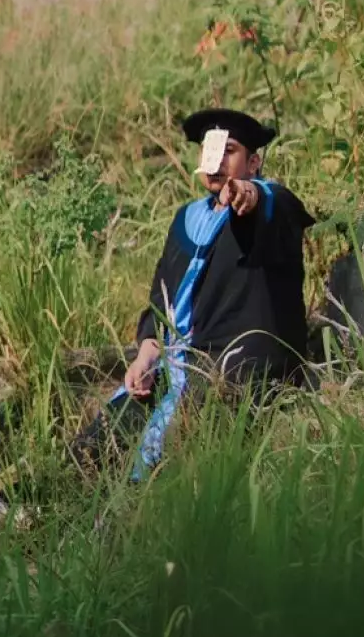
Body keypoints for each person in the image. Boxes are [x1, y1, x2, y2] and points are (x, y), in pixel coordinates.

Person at [69, 107, 315, 482]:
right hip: (174, 364)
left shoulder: (270, 203)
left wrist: (247, 194)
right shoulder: (187, 218)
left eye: (228, 150)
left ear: (253, 162)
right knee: (103, 435)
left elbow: (264, 205)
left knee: (166, 458)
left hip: (232, 367)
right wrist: (148, 350)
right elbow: (161, 294)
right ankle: (14, 506)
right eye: (209, 150)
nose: (215, 160)